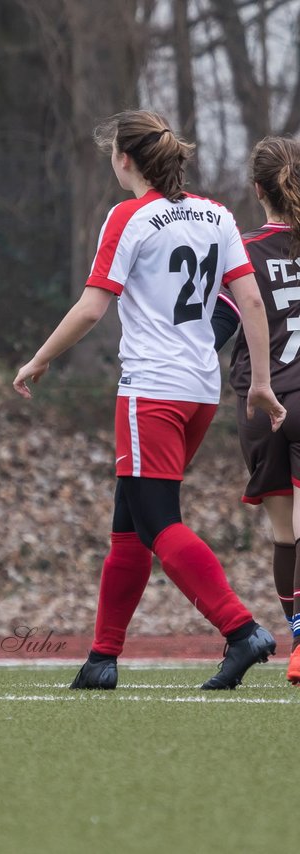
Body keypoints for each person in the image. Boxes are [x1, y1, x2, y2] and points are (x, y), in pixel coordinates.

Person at [13, 110, 285, 691]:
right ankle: (102, 658)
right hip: (198, 392)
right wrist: (259, 380)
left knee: (159, 524)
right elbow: (252, 305)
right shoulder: (217, 215)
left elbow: (92, 307)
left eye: (113, 152)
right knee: (130, 526)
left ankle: (241, 630)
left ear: (125, 160)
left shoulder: (128, 217)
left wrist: (39, 358)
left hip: (150, 393)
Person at [210, 136, 300, 683]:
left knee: (285, 536)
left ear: (256, 188)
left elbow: (216, 331)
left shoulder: (242, 251)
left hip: (260, 406)